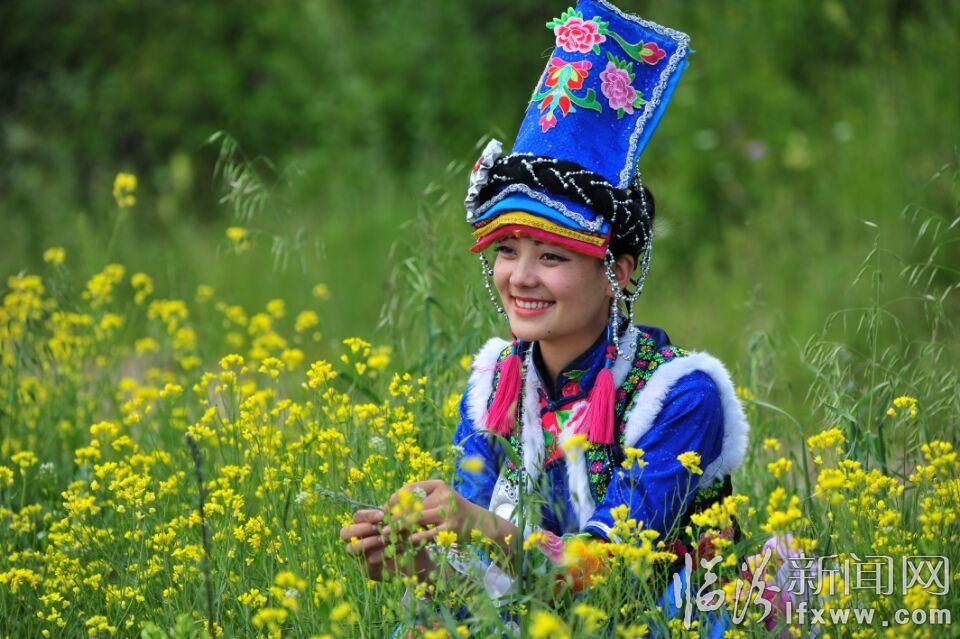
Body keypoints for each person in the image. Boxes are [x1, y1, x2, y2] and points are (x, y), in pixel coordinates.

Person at [341, 1, 750, 635]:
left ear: (618, 271)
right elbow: (487, 592)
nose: (520, 277)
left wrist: (477, 525)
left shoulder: (680, 395)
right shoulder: (496, 387)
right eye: (507, 250)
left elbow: (614, 577)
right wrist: (417, 562)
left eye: (552, 256)